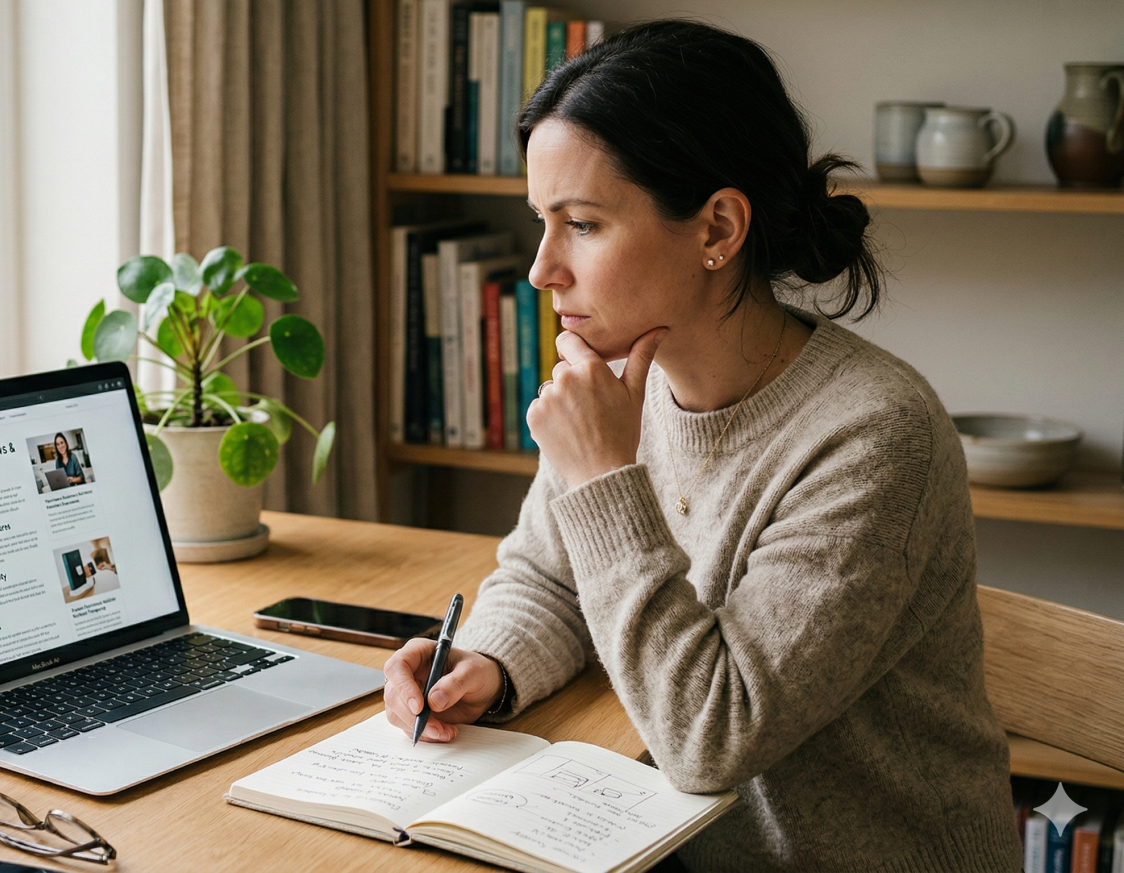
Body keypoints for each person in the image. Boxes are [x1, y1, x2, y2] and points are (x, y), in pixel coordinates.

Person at [381, 21, 1021, 871]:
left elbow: (712, 735)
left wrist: (606, 473)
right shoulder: (626, 385)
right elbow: (550, 575)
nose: (540, 269)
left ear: (718, 226)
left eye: (581, 224)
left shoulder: (876, 435)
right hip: (673, 847)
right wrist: (489, 661)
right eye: (541, 220)